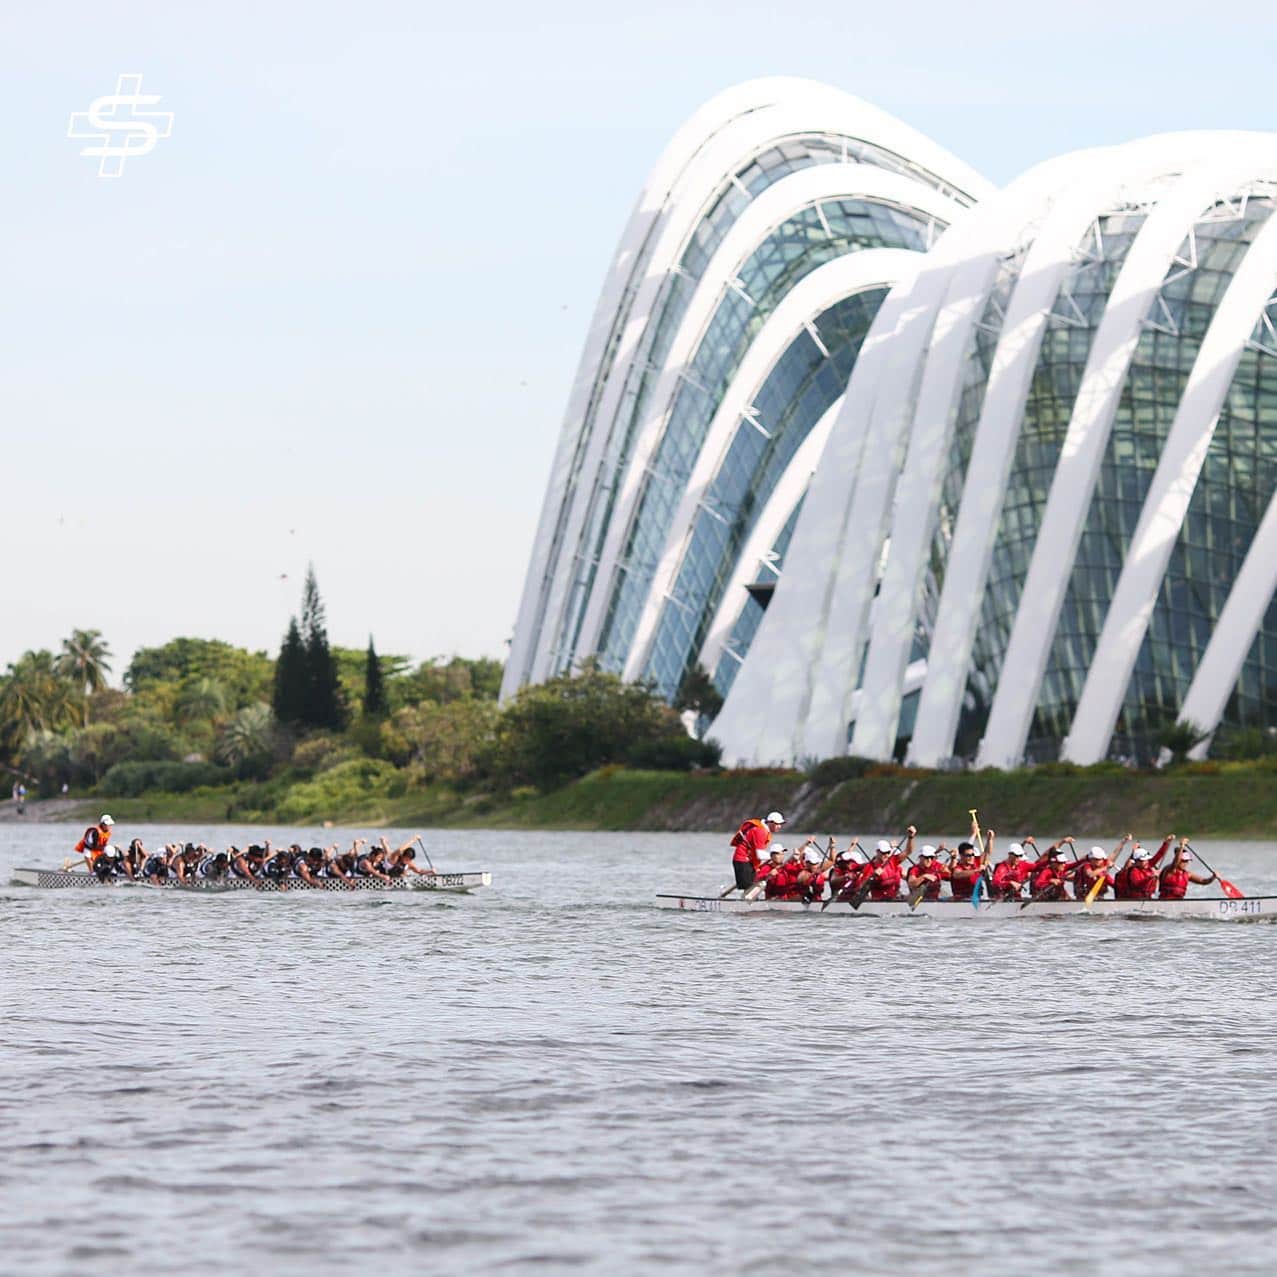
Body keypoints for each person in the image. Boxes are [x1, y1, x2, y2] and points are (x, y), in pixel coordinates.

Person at [730, 810, 785, 892]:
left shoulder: (763, 830)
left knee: (753, 884)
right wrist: (773, 857)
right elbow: (759, 854)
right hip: (742, 859)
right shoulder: (761, 831)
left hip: (747, 860)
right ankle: (746, 902)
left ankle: (749, 901)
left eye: (780, 824)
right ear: (769, 822)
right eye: (777, 824)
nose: (779, 826)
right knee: (748, 885)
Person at [1114, 835, 1172, 899]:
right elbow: (1138, 884)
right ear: (1137, 861)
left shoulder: (1148, 864)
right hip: (1135, 899)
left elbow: (1159, 855)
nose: (1146, 862)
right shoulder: (1133, 871)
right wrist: (1151, 876)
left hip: (1148, 897)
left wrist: (1166, 843)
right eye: (1143, 860)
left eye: (1146, 859)